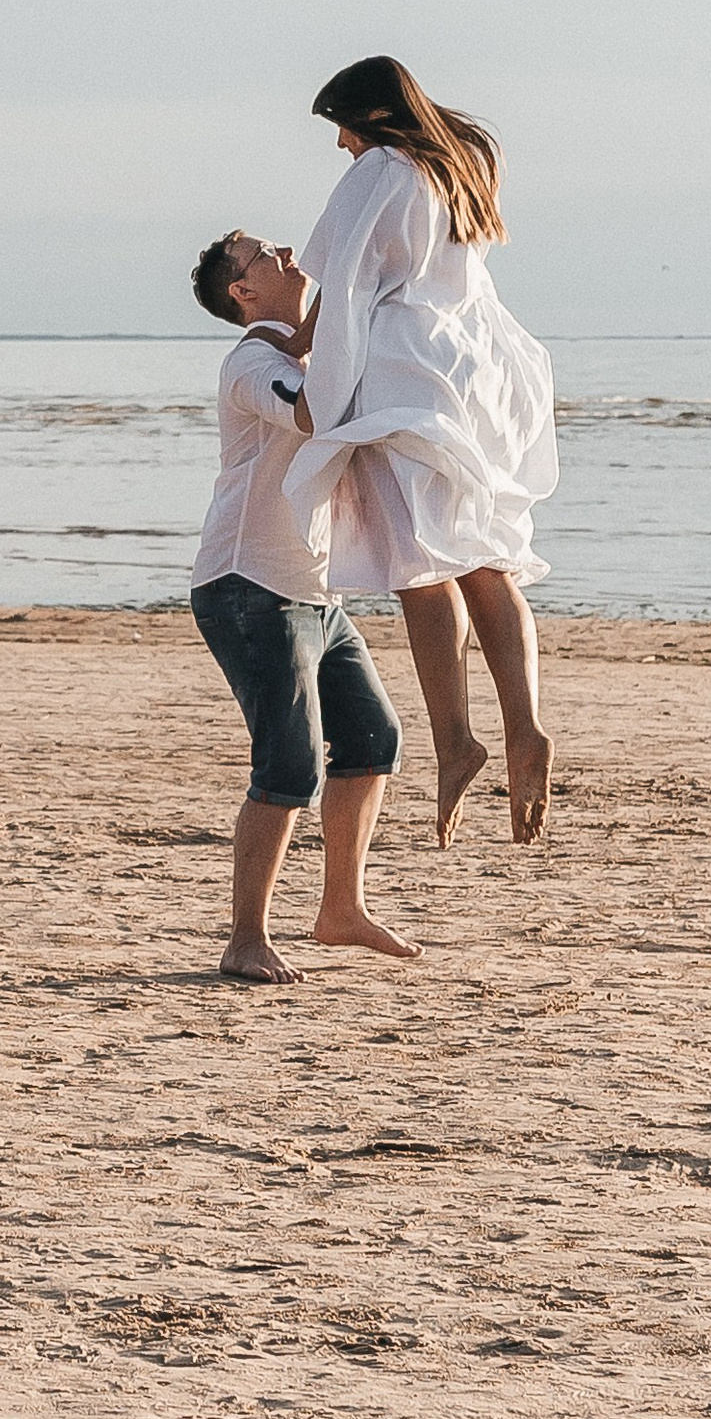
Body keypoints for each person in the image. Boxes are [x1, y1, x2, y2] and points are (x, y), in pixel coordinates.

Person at [282, 53, 558, 843]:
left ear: (370, 116)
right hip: (473, 373)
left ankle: (455, 741)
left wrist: (303, 366)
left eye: (341, 126)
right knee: (483, 558)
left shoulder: (380, 170)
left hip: (406, 373)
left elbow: (345, 283)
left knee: (419, 569)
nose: (340, 144)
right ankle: (525, 724)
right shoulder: (458, 165)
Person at [186, 227, 418, 983]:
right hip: (248, 587)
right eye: (265, 255)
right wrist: (333, 305)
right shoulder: (252, 366)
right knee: (287, 765)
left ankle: (341, 909)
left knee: (373, 739)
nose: (287, 254)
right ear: (243, 292)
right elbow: (311, 415)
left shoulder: (302, 357)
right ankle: (245, 938)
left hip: (315, 591)